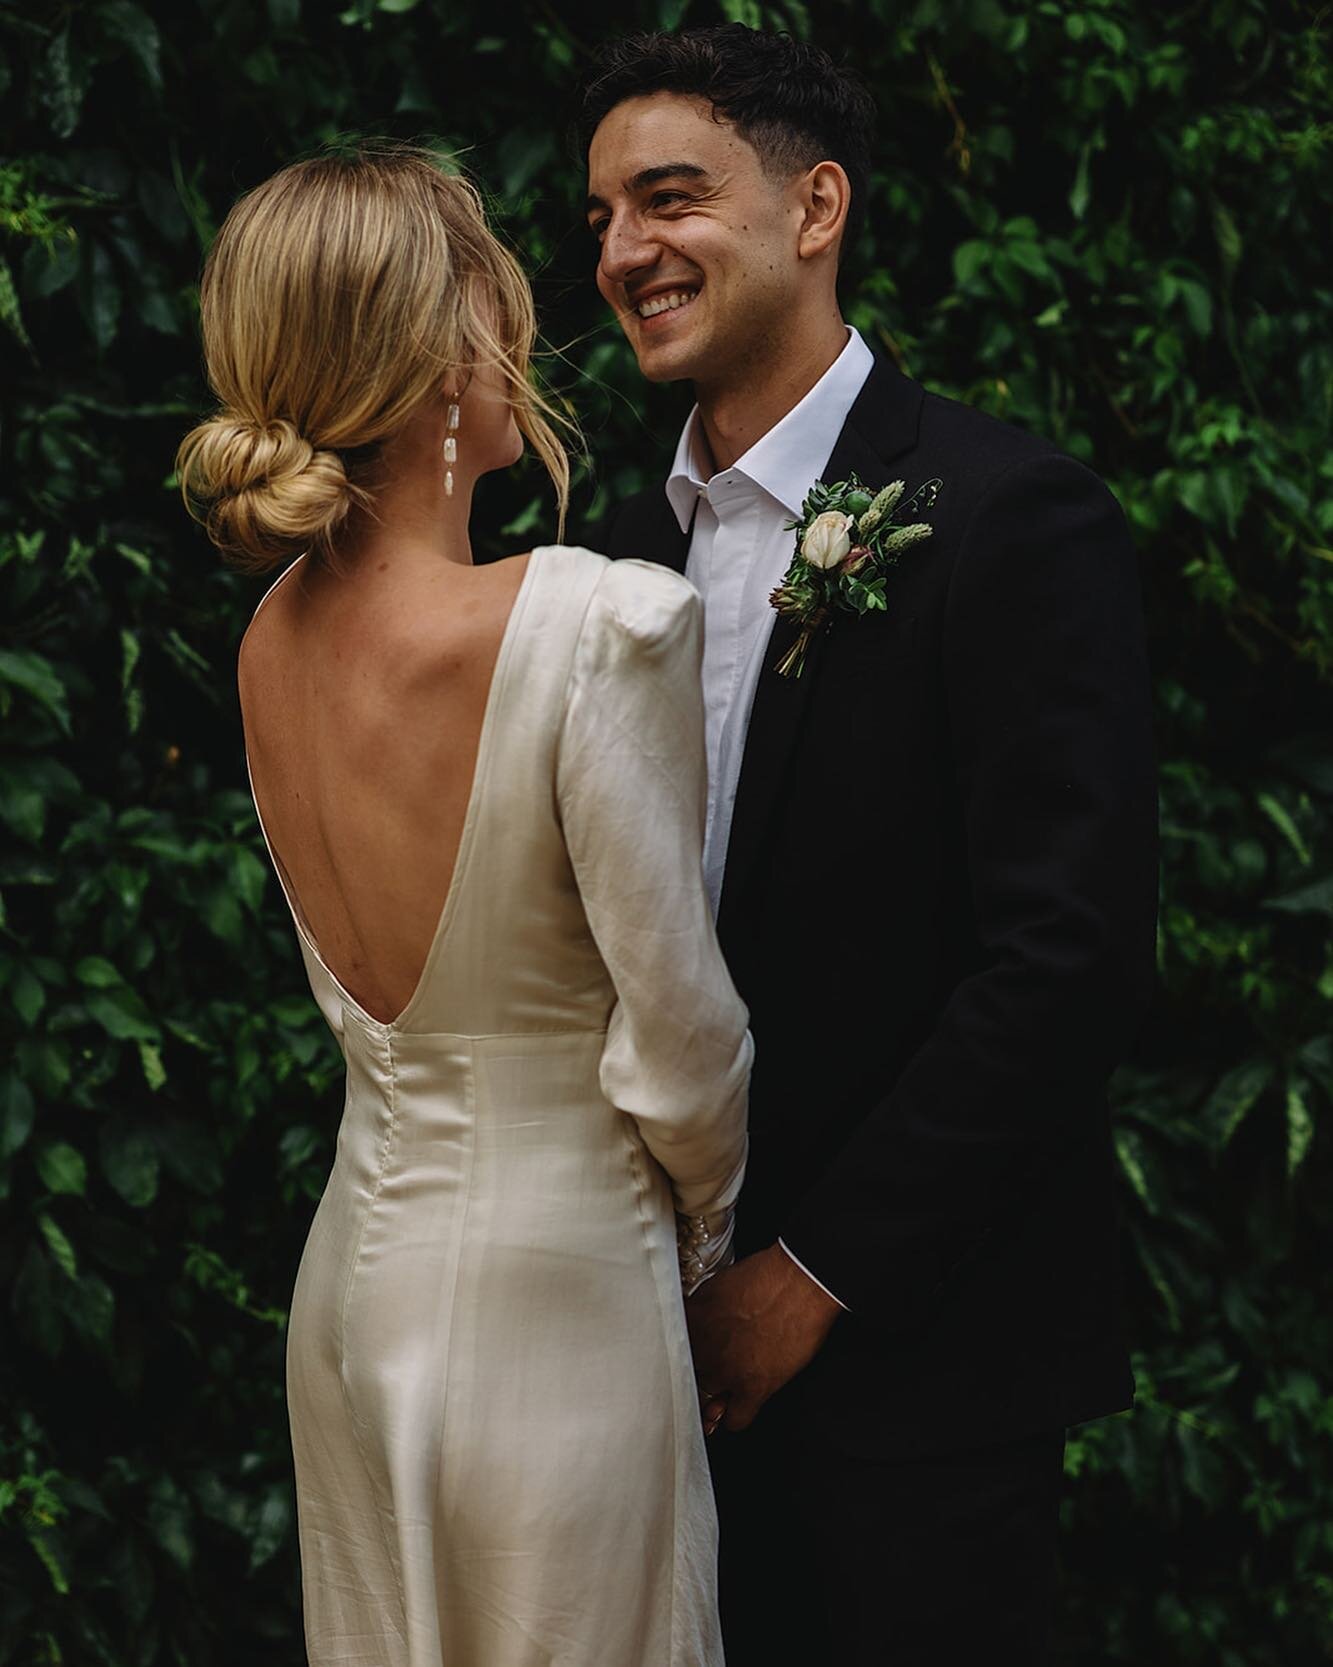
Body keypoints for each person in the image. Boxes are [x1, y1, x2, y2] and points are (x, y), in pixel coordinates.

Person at [580, 24, 1158, 1666]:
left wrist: (805, 1281)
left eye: (668, 198)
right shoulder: (602, 557)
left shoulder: (1002, 513)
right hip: (641, 1373)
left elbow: (1068, 955)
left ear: (813, 204)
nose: (624, 251)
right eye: (603, 217)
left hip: (916, 1371)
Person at [176, 145, 750, 1667]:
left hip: (352, 1310)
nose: (527, 339)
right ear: (443, 362)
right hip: (557, 1311)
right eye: (502, 303)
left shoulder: (265, 648)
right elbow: (681, 1041)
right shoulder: (597, 620)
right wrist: (706, 1248)